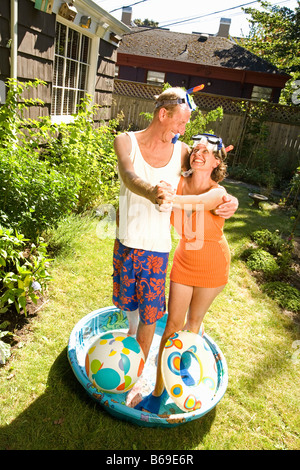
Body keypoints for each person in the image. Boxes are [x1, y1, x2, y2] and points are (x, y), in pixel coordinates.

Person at [112, 88, 238, 362]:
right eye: (182, 122)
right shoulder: (125, 141)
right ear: (162, 114)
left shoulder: (181, 152)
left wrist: (231, 200)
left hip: (161, 251)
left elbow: (208, 181)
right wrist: (152, 192)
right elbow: (129, 175)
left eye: (186, 123)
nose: (185, 129)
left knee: (158, 316)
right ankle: (133, 348)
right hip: (132, 244)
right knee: (134, 308)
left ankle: (146, 371)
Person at [134, 133, 231, 414]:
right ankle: (158, 391)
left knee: (193, 323)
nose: (198, 153)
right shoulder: (178, 182)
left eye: (206, 151)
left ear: (216, 162)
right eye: (195, 149)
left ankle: (182, 368)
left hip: (213, 265)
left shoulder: (219, 193)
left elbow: (193, 204)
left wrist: (166, 196)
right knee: (173, 325)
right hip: (184, 262)